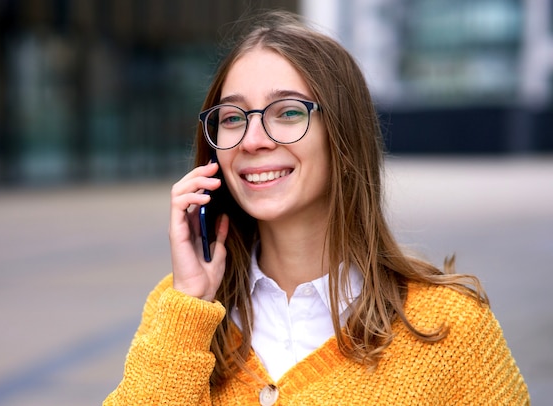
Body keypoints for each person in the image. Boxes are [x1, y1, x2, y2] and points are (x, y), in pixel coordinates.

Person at [104, 11, 529, 405]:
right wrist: (190, 303)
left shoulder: (451, 328)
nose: (253, 140)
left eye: (287, 111)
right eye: (232, 117)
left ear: (343, 133)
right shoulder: (181, 312)